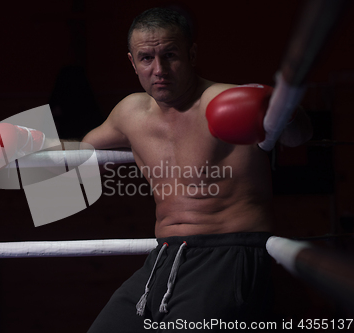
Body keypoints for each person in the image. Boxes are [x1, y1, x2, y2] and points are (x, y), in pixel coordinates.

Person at [82, 7, 313, 332]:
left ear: (191, 53)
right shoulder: (129, 112)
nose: (159, 69)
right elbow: (80, 151)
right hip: (163, 256)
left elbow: (301, 135)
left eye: (170, 55)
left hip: (228, 254)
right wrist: (22, 144)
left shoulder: (226, 98)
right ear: (133, 63)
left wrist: (278, 106)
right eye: (146, 58)